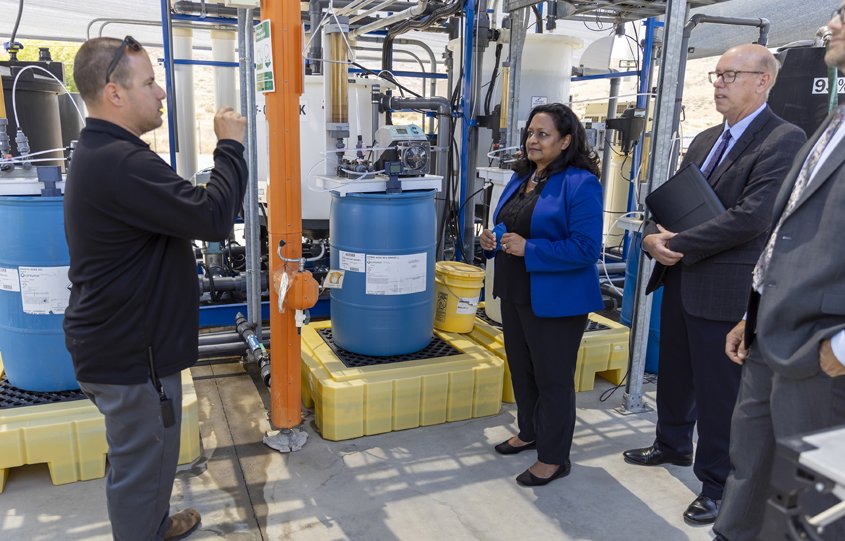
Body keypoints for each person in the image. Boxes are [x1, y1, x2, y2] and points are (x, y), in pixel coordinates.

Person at [63, 36, 247, 540]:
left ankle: (154, 523)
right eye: (148, 82)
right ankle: (143, 530)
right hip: (129, 355)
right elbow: (212, 216)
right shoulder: (121, 163)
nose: (162, 92)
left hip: (124, 345)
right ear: (114, 93)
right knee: (139, 465)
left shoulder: (107, 151)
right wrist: (229, 145)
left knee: (147, 455)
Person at [621, 43, 806, 525]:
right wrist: (650, 238)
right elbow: (672, 201)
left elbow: (753, 218)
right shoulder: (706, 139)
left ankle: (717, 484)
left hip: (725, 289)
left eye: (730, 75)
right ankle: (673, 443)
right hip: (682, 276)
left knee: (721, 392)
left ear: (763, 81)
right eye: (717, 76)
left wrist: (678, 242)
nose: (719, 84)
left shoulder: (782, 139)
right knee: (676, 374)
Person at [713, 8, 845, 541]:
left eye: (843, 14)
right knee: (750, 469)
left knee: (812, 497)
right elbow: (786, 228)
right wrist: (756, 312)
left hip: (821, 350)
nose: (832, 25)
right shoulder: (836, 119)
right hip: (772, 336)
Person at [479, 103, 603, 487]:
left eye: (543, 134)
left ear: (566, 141)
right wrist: (491, 241)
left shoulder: (581, 183)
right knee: (523, 369)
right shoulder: (523, 177)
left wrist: (529, 249)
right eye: (530, 133)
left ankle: (554, 457)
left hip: (558, 299)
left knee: (553, 379)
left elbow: (585, 248)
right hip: (517, 291)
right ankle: (530, 431)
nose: (532, 140)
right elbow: (510, 226)